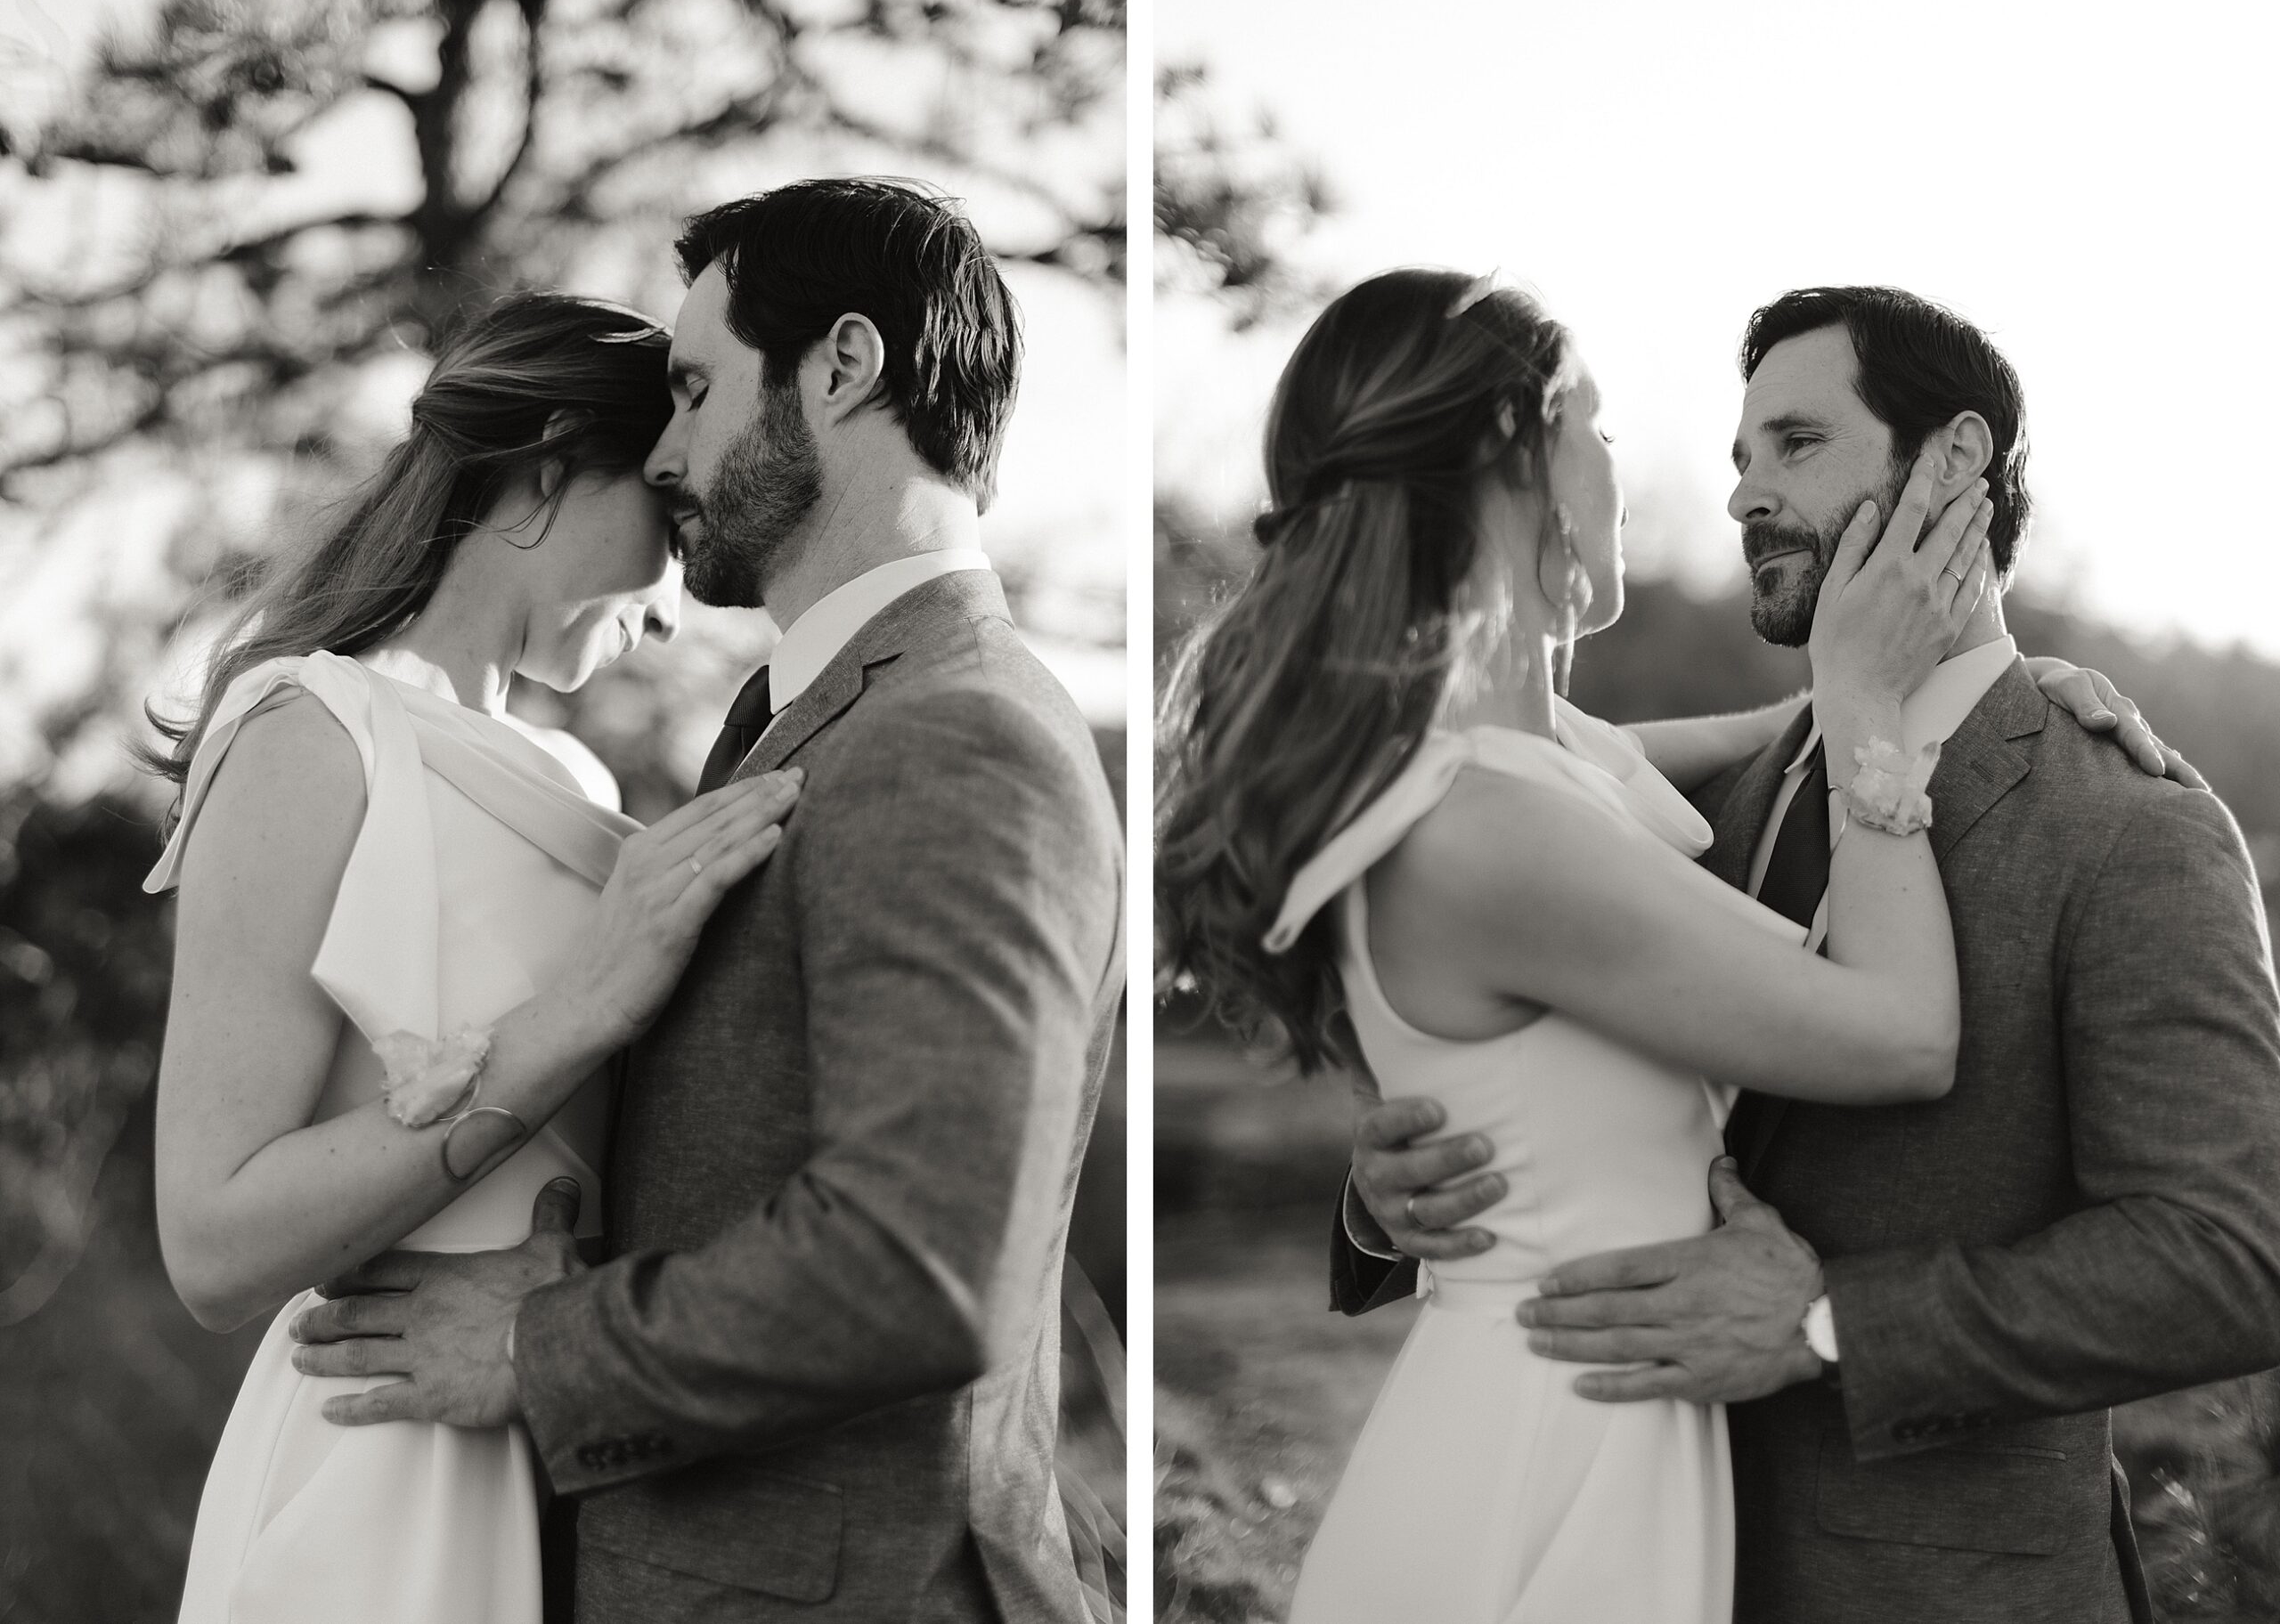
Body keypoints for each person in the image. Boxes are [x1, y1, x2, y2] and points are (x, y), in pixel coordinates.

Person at [1331, 285, 2280, 1624]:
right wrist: (1393, 1181)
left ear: (1952, 463)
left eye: (1795, 445)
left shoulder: (2132, 829)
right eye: (1739, 459)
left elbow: (2235, 1255)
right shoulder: (1692, 804)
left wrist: (1826, 1319)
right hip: (1612, 1551)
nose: (1741, 497)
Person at [288, 179, 1126, 1624]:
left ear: (843, 366)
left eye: (691, 389)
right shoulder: (801, 713)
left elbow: (920, 1265)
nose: (664, 452)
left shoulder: (956, 732)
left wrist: (541, 1345)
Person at [145, 291, 800, 1624]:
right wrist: (577, 1013)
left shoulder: (573, 775)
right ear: (545, 468)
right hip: (372, 1470)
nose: (676, 607)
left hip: (571, 1437)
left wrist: (586, 1300)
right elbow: (209, 1244)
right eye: (670, 525)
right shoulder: (310, 738)